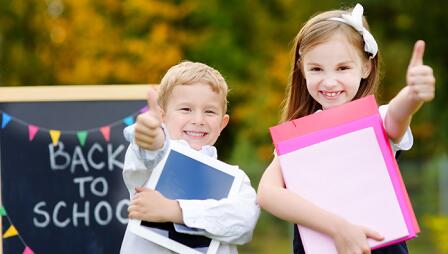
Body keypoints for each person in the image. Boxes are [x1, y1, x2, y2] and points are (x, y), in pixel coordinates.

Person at [257, 3, 435, 254]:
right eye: (316, 69)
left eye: (343, 68)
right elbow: (267, 193)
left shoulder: (377, 120)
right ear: (301, 68)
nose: (329, 81)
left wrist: (412, 95)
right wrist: (338, 228)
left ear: (366, 66)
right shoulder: (298, 136)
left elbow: (397, 115)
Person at [120, 61, 260, 254]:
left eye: (209, 111)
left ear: (223, 123)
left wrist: (174, 211)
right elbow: (145, 154)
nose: (198, 120)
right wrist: (152, 139)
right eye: (186, 109)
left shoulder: (236, 180)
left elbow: (243, 221)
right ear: (163, 116)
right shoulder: (153, 161)